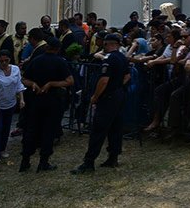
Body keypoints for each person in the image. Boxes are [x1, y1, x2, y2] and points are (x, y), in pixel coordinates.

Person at [72, 33, 130, 174]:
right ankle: (113, 157)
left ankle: (89, 162)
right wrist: (117, 87)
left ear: (109, 44)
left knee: (98, 129)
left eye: (104, 44)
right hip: (119, 95)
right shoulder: (123, 57)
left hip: (108, 97)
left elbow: (104, 80)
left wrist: (96, 96)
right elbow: (127, 76)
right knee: (115, 128)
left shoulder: (109, 59)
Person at [20, 37, 73, 172]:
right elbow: (69, 81)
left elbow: (24, 79)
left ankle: (25, 160)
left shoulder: (36, 60)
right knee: (48, 131)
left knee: (31, 129)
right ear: (58, 49)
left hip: (35, 99)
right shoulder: (60, 62)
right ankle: (44, 161)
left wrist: (33, 84)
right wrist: (52, 83)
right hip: (52, 100)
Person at [0, 50, 24, 165]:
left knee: (6, 128)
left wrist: (21, 99)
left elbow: (19, 84)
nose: (3, 63)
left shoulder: (15, 70)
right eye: (1, 61)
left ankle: (2, 148)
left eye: (6, 61)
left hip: (10, 104)